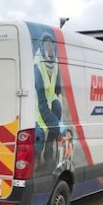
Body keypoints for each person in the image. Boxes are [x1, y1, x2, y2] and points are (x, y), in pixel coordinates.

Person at [34, 32, 64, 167]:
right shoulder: (37, 65)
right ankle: (35, 160)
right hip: (35, 106)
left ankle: (48, 151)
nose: (50, 48)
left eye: (51, 45)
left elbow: (57, 88)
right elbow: (41, 102)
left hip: (49, 102)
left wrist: (58, 97)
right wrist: (57, 124)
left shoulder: (54, 62)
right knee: (37, 133)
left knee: (57, 110)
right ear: (42, 47)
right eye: (46, 45)